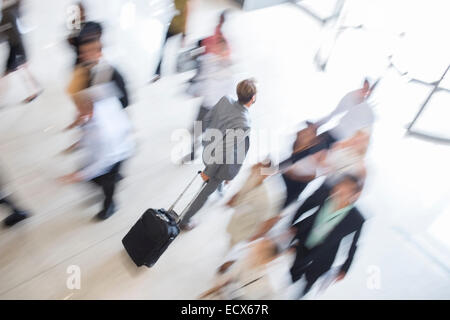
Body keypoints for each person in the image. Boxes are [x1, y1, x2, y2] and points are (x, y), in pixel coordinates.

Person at [179, 78, 257, 231]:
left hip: (208, 150)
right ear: (253, 98)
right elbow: (225, 151)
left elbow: (206, 120)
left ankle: (220, 188)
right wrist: (208, 173)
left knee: (216, 182)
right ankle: (185, 220)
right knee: (205, 192)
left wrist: (208, 142)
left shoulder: (224, 100)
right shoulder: (244, 123)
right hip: (218, 164)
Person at [61, 69, 134, 220]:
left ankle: (110, 205)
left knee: (105, 179)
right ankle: (112, 181)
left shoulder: (102, 133)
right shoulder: (97, 97)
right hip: (116, 138)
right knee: (95, 175)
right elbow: (106, 91)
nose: (76, 112)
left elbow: (102, 162)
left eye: (79, 110)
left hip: (118, 152)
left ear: (88, 110)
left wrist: (78, 176)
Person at [289, 174, 365, 297]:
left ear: (353, 194)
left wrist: (345, 268)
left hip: (323, 255)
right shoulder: (324, 193)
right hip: (303, 241)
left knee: (307, 283)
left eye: (346, 189)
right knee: (289, 273)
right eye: (341, 186)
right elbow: (305, 205)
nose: (340, 190)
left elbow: (353, 245)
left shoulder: (356, 219)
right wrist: (293, 224)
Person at [199, 237, 294, 300]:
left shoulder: (272, 285)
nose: (253, 251)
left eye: (259, 251)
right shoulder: (247, 260)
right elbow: (229, 277)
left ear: (269, 259)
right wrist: (210, 292)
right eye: (256, 248)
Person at [225, 161, 277, 247]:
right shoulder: (253, 176)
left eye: (261, 167)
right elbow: (242, 191)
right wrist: (233, 199)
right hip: (239, 217)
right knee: (232, 235)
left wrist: (256, 236)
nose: (257, 167)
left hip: (248, 225)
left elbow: (264, 219)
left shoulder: (265, 196)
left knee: (236, 242)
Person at [1, 0, 42, 103]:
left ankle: (35, 90)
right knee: (19, 70)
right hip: (14, 46)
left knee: (19, 70)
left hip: (16, 46)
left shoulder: (8, 11)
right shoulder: (11, 10)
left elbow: (5, 31)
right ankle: (36, 88)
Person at [77, 33, 129, 109]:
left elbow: (125, 102)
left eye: (90, 51)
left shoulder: (111, 72)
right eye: (83, 53)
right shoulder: (82, 74)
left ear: (99, 53)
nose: (85, 56)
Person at [152, 0, 190, 82]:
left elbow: (186, 16)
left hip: (178, 28)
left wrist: (184, 34)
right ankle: (158, 72)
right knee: (164, 49)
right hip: (173, 26)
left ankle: (176, 68)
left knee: (175, 50)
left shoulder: (185, 3)